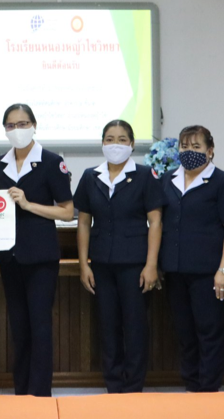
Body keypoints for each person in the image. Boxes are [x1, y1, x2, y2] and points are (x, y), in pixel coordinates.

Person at [0, 103, 74, 397]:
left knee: (39, 326)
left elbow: (67, 212)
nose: (17, 130)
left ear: (35, 125)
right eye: (11, 125)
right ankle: (21, 391)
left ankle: (39, 393)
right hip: (9, 256)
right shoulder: (0, 163)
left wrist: (28, 205)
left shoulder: (52, 162)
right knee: (19, 327)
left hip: (40, 256)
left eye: (23, 123)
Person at [74, 119, 163, 393]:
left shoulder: (146, 175)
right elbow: (83, 223)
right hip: (101, 264)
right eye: (110, 139)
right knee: (108, 327)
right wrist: (83, 265)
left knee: (135, 327)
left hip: (135, 264)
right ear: (102, 143)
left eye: (122, 139)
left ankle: (134, 386)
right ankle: (113, 385)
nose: (116, 144)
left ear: (132, 144)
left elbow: (156, 223)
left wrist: (151, 265)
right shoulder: (91, 176)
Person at [158, 125, 224, 393]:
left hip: (209, 273)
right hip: (175, 271)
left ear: (210, 150)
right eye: (184, 147)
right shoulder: (166, 179)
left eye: (196, 147)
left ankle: (208, 391)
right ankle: (192, 387)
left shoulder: (223, 181)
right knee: (185, 334)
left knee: (210, 334)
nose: (189, 152)